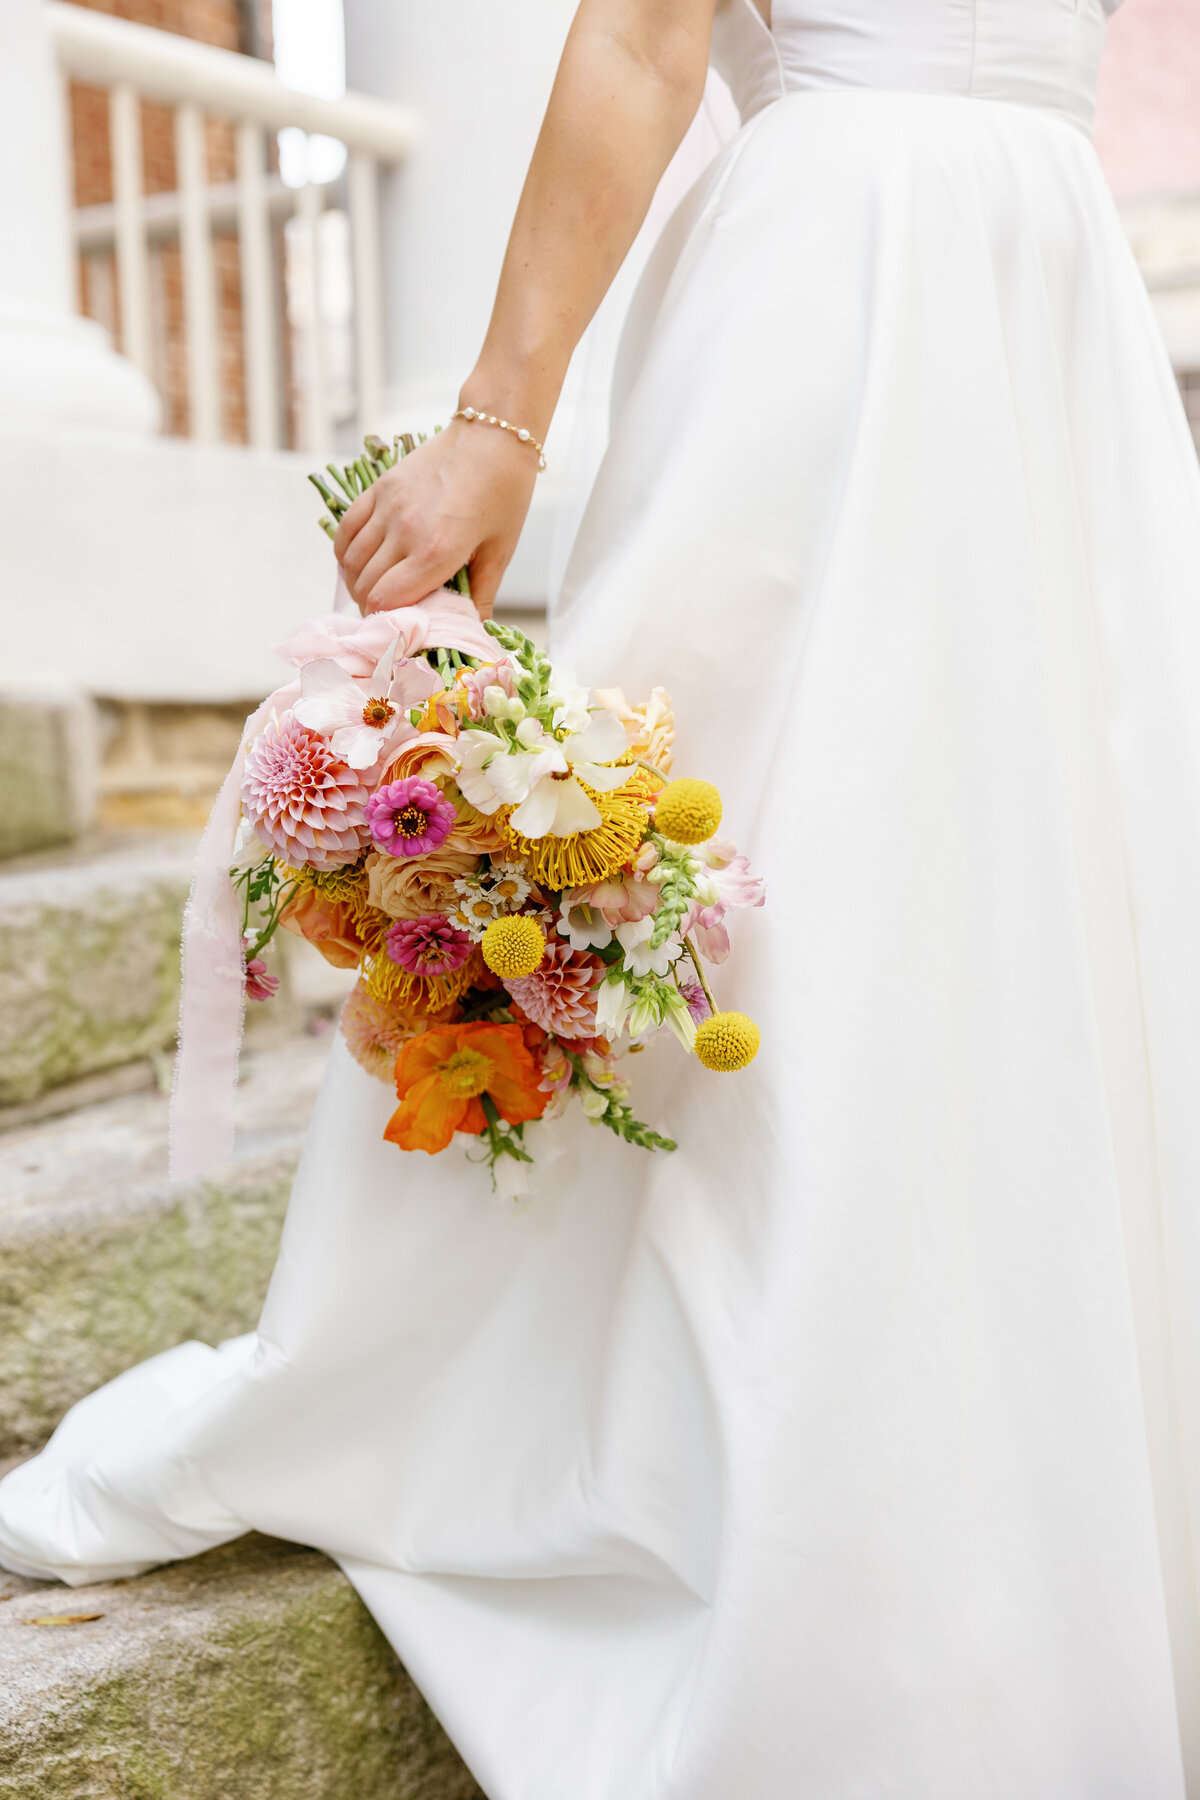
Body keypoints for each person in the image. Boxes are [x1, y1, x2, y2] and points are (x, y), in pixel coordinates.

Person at [4, 0, 1200, 1793]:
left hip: (1050, 304)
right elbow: (643, 34)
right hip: (842, 300)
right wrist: (501, 419)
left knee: (1050, 881)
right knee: (782, 877)